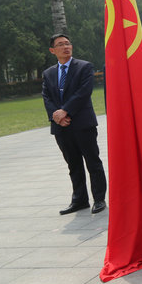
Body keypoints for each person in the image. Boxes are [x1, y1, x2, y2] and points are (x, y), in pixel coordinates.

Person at [42, 34, 107, 215]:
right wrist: (57, 116)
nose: (66, 47)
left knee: (93, 162)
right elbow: (46, 97)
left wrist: (66, 111)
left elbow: (84, 92)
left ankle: (99, 198)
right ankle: (79, 200)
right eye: (61, 45)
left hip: (82, 123)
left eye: (68, 43)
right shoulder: (48, 73)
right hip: (61, 126)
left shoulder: (84, 67)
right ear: (52, 50)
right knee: (73, 164)